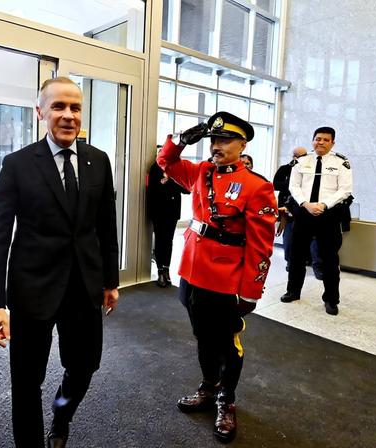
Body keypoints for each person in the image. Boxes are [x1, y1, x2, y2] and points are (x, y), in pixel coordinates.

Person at [0, 76, 119, 448]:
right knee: (27, 381)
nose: (68, 115)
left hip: (84, 287)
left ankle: (61, 413)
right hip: (32, 290)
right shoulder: (18, 164)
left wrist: (110, 280)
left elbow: (106, 226)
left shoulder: (98, 161)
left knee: (85, 366)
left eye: (75, 107)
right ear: (40, 111)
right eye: (58, 106)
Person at [158, 112, 277, 444]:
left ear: (243, 144)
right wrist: (181, 138)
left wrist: (251, 291)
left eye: (225, 140)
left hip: (226, 278)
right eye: (214, 139)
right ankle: (209, 387)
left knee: (225, 343)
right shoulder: (200, 173)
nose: (217, 145)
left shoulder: (257, 186)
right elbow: (165, 162)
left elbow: (260, 245)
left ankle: (227, 399)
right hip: (192, 272)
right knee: (202, 336)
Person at [281, 127, 353, 315]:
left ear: (332, 143)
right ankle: (293, 291)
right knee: (297, 255)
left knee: (329, 259)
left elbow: (345, 190)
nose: (320, 142)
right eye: (317, 139)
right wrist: (306, 203)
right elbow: (293, 186)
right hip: (304, 213)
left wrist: (323, 204)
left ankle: (331, 299)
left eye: (325, 140)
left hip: (327, 215)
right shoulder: (301, 161)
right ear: (312, 140)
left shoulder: (341, 163)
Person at [273, 146, 323, 278]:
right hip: (287, 206)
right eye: (302, 156)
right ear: (295, 157)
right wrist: (292, 184)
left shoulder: (309, 169)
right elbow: (275, 184)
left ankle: (314, 263)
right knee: (289, 233)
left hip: (305, 206)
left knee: (312, 235)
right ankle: (290, 261)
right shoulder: (285, 168)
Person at [146, 152, 188, 287]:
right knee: (160, 240)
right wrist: (168, 183)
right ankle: (160, 272)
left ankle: (166, 270)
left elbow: (187, 189)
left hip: (172, 211)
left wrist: (170, 181)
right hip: (158, 211)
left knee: (168, 240)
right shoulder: (155, 168)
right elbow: (153, 189)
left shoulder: (177, 169)